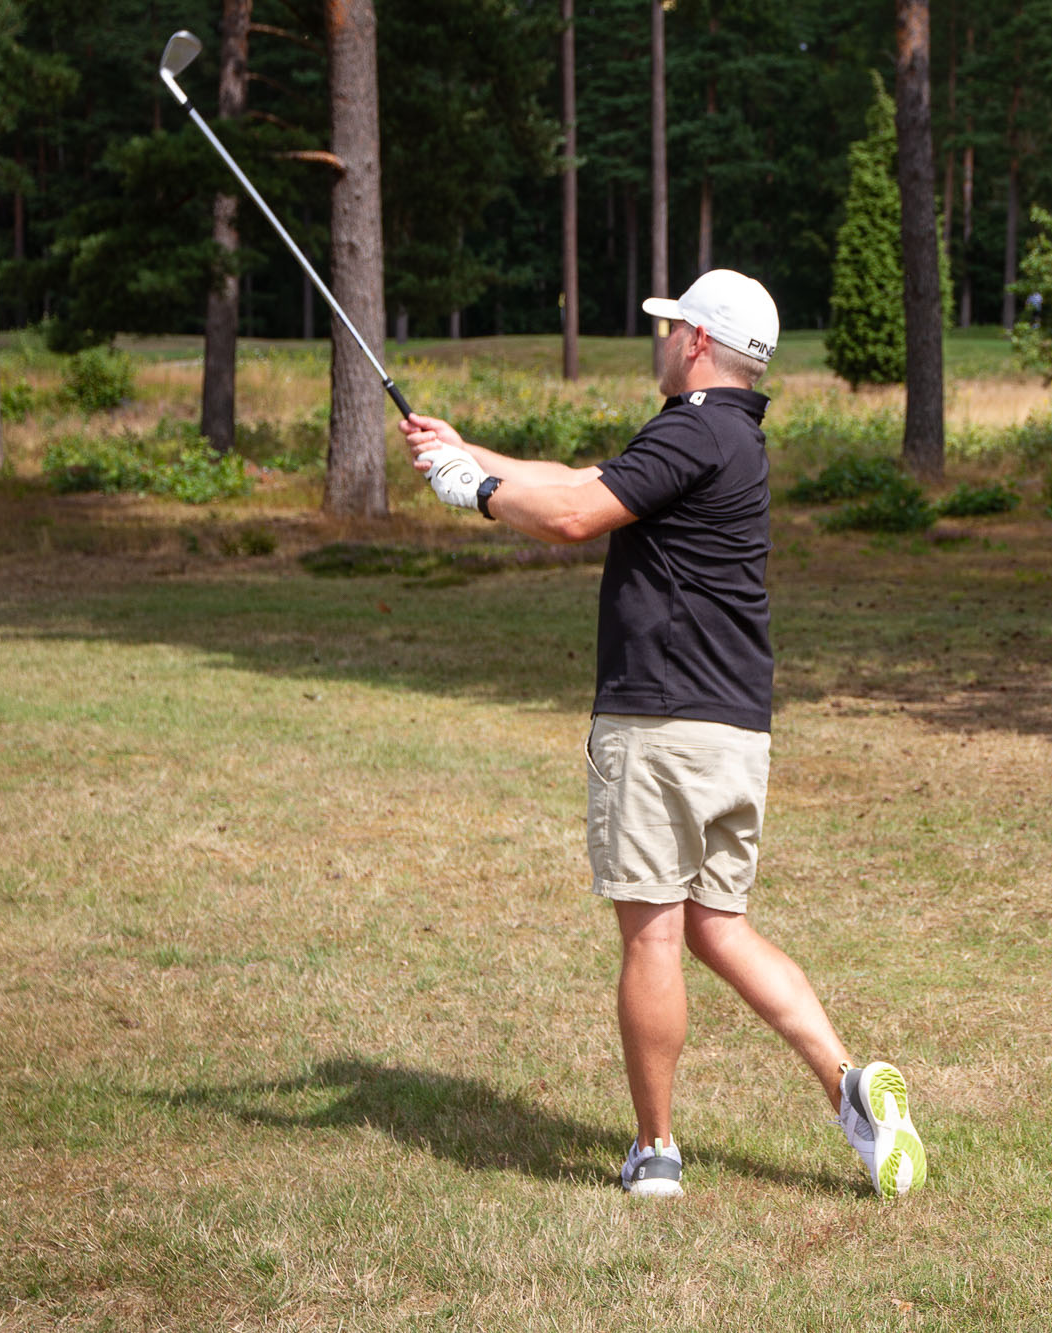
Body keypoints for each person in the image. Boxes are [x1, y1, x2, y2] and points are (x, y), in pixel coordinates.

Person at [396, 269, 925, 1201]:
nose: (663, 339)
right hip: (734, 731)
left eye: (672, 326)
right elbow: (587, 482)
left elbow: (571, 516)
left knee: (652, 935)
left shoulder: (690, 427)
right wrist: (466, 450)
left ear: (697, 342)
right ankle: (850, 1084)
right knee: (719, 927)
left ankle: (656, 1149)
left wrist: (475, 493)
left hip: (660, 724)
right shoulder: (730, 435)